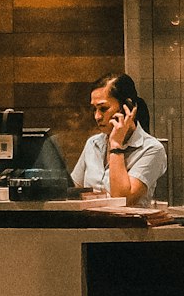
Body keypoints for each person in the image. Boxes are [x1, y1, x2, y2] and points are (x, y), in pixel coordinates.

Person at [71, 72, 167, 202]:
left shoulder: (152, 149)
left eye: (103, 108)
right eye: (94, 109)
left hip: (127, 222)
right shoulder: (93, 143)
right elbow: (73, 191)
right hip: (91, 221)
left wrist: (116, 146)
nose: (97, 116)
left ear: (127, 107)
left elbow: (123, 199)